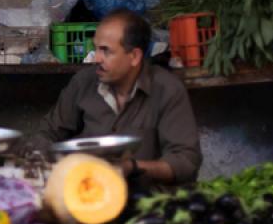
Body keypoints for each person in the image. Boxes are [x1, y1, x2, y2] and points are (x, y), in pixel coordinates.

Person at [25, 9, 202, 184]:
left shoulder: (167, 89)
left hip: (145, 201)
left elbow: (186, 161)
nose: (97, 59)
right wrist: (43, 163)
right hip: (86, 194)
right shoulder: (83, 82)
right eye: (96, 49)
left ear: (134, 56)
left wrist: (131, 167)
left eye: (106, 51)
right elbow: (47, 133)